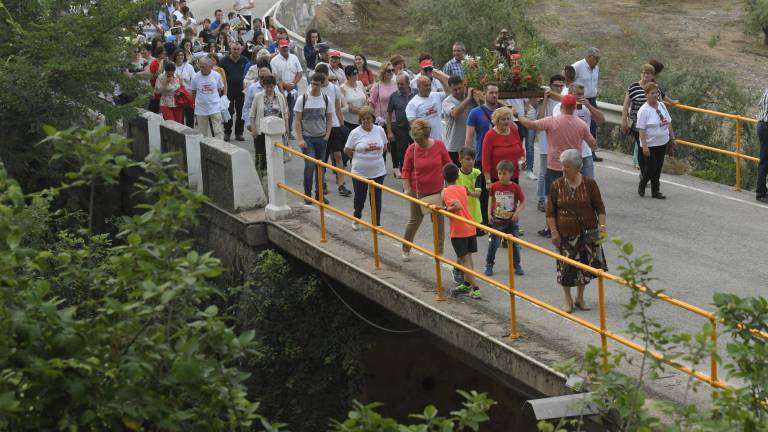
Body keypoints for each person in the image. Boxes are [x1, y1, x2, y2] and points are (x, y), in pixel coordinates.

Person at [516, 94, 596, 238]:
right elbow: (593, 144)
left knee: (551, 198)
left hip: (554, 166)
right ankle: (573, 225)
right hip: (573, 168)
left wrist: (518, 116)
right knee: (573, 197)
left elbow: (531, 124)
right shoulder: (581, 124)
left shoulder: (552, 121)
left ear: (562, 106)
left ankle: (550, 228)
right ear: (574, 108)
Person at [546, 149, 607, 313]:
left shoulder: (590, 184)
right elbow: (550, 212)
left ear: (577, 168)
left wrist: (602, 227)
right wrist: (554, 232)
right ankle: (568, 299)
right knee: (565, 269)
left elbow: (600, 207)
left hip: (588, 234)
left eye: (567, 166)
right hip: (565, 234)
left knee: (585, 268)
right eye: (562, 166)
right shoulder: (556, 185)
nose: (563, 169)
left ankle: (580, 297)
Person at [400, 119, 451, 261]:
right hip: (418, 192)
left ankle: (439, 253)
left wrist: (451, 185)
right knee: (415, 220)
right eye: (415, 139)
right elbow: (405, 170)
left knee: (439, 223)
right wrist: (407, 188)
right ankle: (406, 248)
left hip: (437, 191)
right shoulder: (412, 149)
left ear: (427, 136)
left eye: (420, 140)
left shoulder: (439, 145)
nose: (418, 143)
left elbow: (448, 164)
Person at [465, 82, 503, 227]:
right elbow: (469, 136)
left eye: (496, 93)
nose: (494, 95)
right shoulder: (475, 112)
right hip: (482, 158)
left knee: (500, 192)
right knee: (484, 193)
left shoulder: (502, 111)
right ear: (484, 94)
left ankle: (500, 222)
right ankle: (483, 223)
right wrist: (467, 158)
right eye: (491, 92)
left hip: (500, 161)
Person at [442, 163, 481, 299]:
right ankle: (466, 282)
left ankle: (475, 288)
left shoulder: (446, 192)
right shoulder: (462, 189)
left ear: (444, 178)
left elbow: (456, 205)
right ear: (458, 175)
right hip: (469, 226)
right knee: (468, 258)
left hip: (459, 230)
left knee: (464, 260)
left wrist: (445, 210)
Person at [344, 106, 387, 229]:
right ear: (360, 120)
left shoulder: (379, 130)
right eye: (363, 119)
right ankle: (356, 217)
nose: (366, 121)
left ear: (373, 118)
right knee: (360, 197)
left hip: (378, 171)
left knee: (376, 198)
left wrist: (374, 156)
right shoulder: (355, 133)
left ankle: (376, 223)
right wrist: (358, 158)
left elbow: (384, 147)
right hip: (360, 172)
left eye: (368, 118)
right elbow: (347, 150)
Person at [295, 72, 334, 205]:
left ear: (322, 85)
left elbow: (329, 118)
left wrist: (327, 135)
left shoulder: (326, 99)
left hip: (321, 137)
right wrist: (300, 139)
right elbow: (297, 120)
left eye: (317, 84)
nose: (314, 86)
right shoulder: (303, 99)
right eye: (313, 83)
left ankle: (319, 194)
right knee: (310, 165)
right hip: (308, 138)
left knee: (320, 167)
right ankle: (307, 194)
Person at [315, 63, 352, 198]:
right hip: (321, 126)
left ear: (326, 75)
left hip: (335, 125)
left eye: (322, 77)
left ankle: (341, 184)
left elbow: (337, 108)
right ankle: (321, 183)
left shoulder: (334, 89)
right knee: (322, 158)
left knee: (338, 156)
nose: (320, 80)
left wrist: (342, 125)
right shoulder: (313, 88)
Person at [553, 84, 605, 178]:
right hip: (568, 154)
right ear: (570, 94)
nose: (581, 97)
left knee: (589, 183)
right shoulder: (559, 107)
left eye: (582, 94)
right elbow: (560, 126)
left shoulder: (585, 107)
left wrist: (589, 106)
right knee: (569, 185)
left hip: (585, 153)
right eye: (578, 94)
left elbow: (601, 120)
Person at [485, 159, 525, 277]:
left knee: (515, 244)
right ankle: (489, 264)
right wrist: (488, 214)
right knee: (494, 244)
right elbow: (490, 199)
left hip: (511, 222)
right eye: (499, 173)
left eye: (504, 173)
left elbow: (522, 202)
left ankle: (516, 264)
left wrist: (517, 213)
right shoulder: (495, 186)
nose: (501, 176)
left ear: (511, 173)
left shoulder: (516, 188)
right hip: (497, 221)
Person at [622, 64, 665, 173]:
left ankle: (647, 172)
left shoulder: (655, 87)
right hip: (637, 124)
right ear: (641, 74)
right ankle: (644, 173)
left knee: (650, 149)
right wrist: (624, 121)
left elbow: (660, 104)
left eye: (649, 73)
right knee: (642, 148)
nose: (646, 75)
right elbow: (626, 104)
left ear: (652, 75)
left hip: (652, 125)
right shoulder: (633, 87)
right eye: (644, 73)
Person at [636, 82, 675, 199]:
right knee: (651, 167)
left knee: (658, 168)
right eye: (652, 93)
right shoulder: (644, 110)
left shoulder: (662, 105)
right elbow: (641, 130)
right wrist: (645, 146)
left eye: (656, 92)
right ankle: (642, 184)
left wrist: (672, 138)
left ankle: (655, 191)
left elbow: (668, 122)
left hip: (662, 142)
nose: (655, 95)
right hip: (650, 144)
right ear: (646, 95)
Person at [536, 75, 566, 213]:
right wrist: (546, 98)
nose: (559, 88)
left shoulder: (564, 101)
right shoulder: (546, 101)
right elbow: (540, 119)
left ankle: (557, 198)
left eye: (561, 85)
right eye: (556, 86)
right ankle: (541, 199)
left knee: (560, 172)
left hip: (560, 144)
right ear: (551, 85)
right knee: (544, 173)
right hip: (545, 144)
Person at [249, 74, 288, 171]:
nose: (269, 89)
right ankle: (260, 175)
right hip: (261, 132)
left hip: (276, 131)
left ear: (275, 86)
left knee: (275, 154)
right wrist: (254, 130)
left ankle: (273, 174)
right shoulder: (258, 97)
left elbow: (285, 114)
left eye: (271, 86)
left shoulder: (280, 97)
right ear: (263, 86)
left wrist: (286, 128)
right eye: (267, 86)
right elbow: (252, 115)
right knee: (260, 155)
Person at [572, 47, 603, 162]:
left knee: (593, 125)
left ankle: (591, 151)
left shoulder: (596, 68)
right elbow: (567, 79)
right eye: (596, 58)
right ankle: (577, 148)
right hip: (580, 100)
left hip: (592, 100)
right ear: (590, 57)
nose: (598, 61)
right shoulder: (577, 66)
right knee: (581, 122)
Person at [482, 107, 525, 185]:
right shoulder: (490, 135)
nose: (506, 121)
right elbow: (485, 160)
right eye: (503, 119)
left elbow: (520, 149)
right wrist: (488, 180)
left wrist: (522, 159)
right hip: (497, 177)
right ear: (497, 121)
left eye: (508, 119)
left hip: (513, 175)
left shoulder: (514, 131)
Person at [270, 38, 303, 137]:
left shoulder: (294, 57)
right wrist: (285, 85)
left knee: (292, 109)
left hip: (293, 88)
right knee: (281, 109)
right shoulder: (274, 61)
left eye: (286, 47)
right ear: (278, 47)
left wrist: (293, 84)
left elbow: (300, 72)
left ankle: (289, 130)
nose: (285, 49)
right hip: (280, 89)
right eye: (282, 47)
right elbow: (275, 76)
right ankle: (281, 130)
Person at [219, 42, 251, 141]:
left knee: (241, 112)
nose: (236, 51)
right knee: (228, 112)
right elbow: (220, 76)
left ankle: (239, 133)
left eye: (238, 49)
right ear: (230, 49)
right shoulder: (223, 61)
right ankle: (227, 132)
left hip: (242, 91)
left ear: (241, 50)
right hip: (228, 90)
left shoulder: (245, 60)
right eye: (234, 49)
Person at [386, 72, 415, 179]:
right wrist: (389, 132)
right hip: (401, 129)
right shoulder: (394, 96)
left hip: (414, 129)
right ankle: (405, 176)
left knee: (417, 151)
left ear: (408, 84)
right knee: (402, 155)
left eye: (401, 84)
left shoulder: (416, 94)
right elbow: (388, 115)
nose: (399, 86)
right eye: (398, 84)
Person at [442, 75, 475, 165]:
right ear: (450, 89)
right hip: (454, 147)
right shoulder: (447, 102)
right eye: (454, 90)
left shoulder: (472, 99)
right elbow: (455, 114)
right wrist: (468, 99)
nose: (458, 91)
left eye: (459, 88)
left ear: (463, 85)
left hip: (470, 146)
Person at [405, 75, 450, 140]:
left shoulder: (436, 95)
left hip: (439, 140)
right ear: (418, 87)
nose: (429, 87)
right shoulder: (412, 104)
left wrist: (440, 78)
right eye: (425, 85)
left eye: (429, 85)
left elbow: (449, 93)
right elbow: (414, 127)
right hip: (424, 143)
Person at [190, 57, 225, 138]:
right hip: (201, 108)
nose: (202, 69)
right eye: (200, 66)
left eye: (204, 67)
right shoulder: (195, 77)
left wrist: (212, 98)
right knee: (202, 132)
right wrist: (195, 103)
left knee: (218, 131)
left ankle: (220, 148)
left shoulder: (217, 75)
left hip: (215, 107)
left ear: (210, 66)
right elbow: (194, 92)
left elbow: (219, 89)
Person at [171, 48, 196, 127]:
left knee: (190, 117)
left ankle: (191, 134)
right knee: (179, 118)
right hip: (176, 95)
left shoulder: (189, 67)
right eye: (178, 55)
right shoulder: (171, 66)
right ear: (175, 56)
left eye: (181, 55)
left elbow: (194, 80)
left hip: (188, 94)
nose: (180, 56)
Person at [369, 61, 397, 127]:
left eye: (393, 70)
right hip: (381, 122)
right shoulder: (377, 86)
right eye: (389, 71)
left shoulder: (396, 84)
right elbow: (371, 105)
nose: (391, 72)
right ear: (383, 72)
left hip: (395, 120)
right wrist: (372, 119)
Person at [341, 65, 367, 133]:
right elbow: (346, 105)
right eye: (354, 74)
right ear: (348, 76)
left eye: (357, 73)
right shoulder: (342, 88)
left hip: (363, 120)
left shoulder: (360, 83)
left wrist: (363, 111)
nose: (356, 75)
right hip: (350, 122)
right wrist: (361, 111)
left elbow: (366, 98)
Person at [756, 89, 768, 203]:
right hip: (766, 126)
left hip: (762, 125)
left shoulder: (766, 91)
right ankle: (760, 193)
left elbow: (760, 104)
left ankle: (762, 191)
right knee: (764, 161)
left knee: (764, 160)